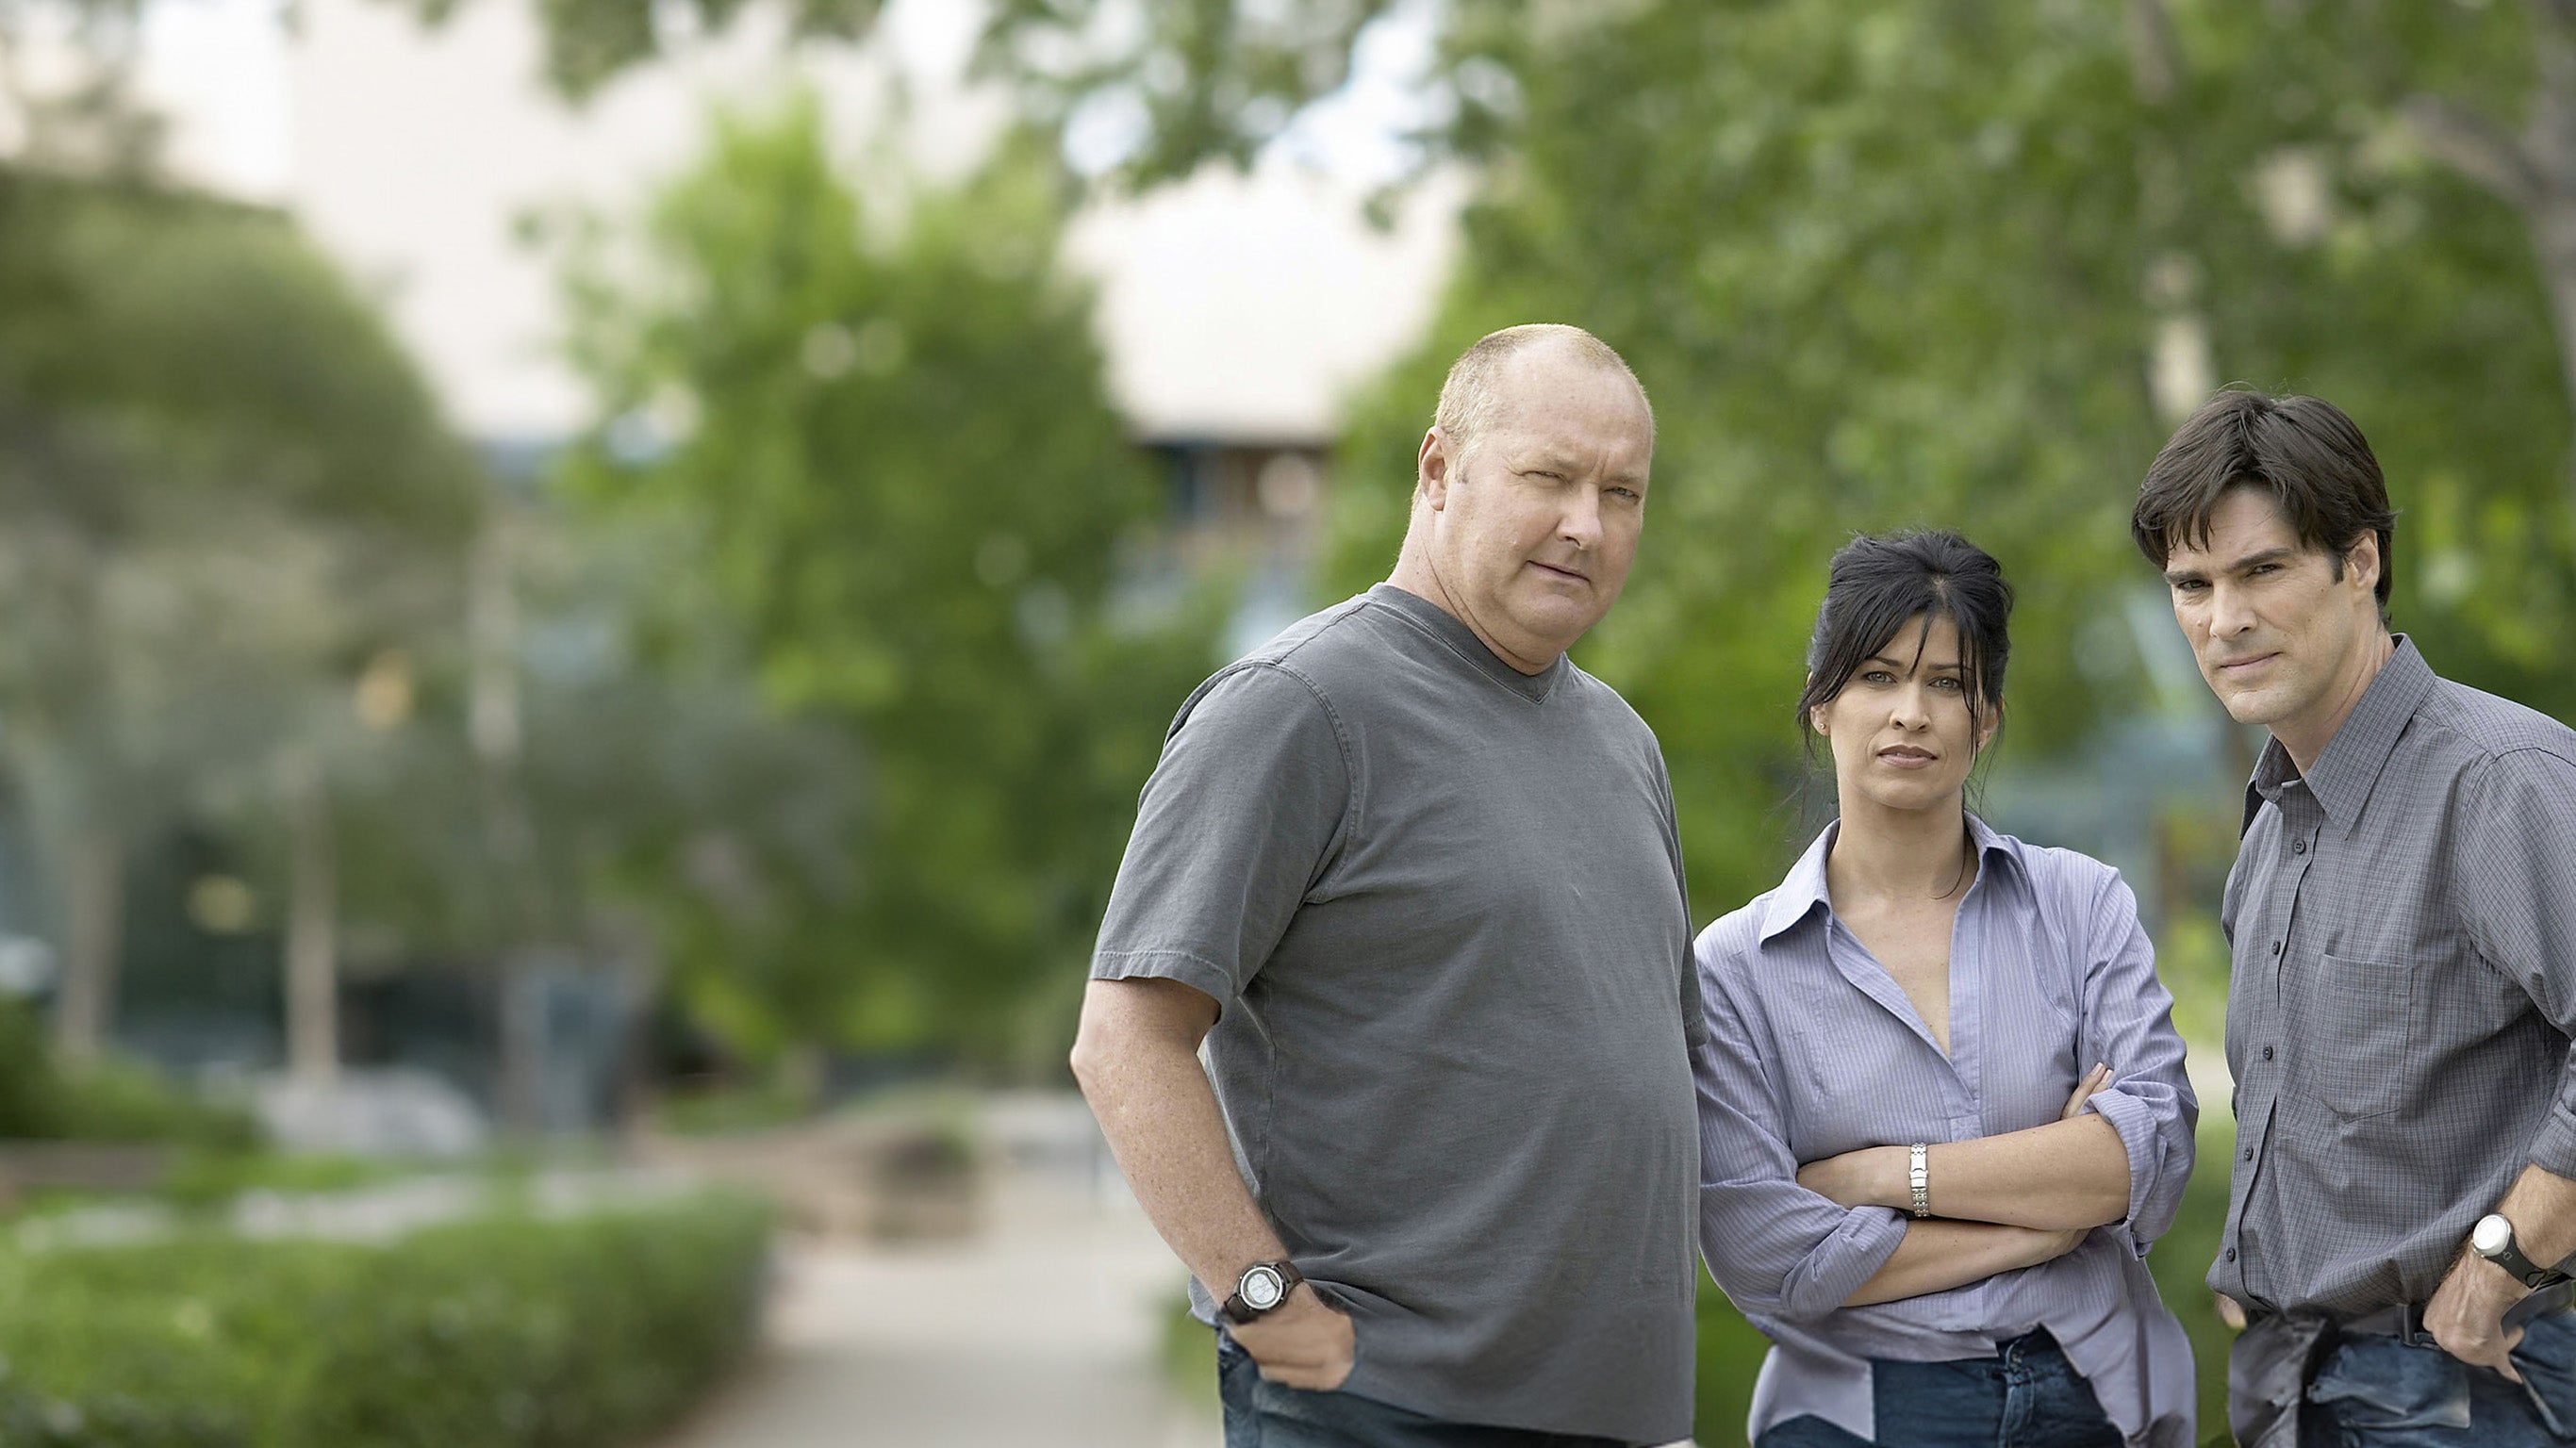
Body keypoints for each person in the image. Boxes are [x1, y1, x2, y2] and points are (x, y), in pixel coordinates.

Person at [1069, 324, 1701, 1447]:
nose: (1585, 525)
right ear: (1437, 470)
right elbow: (1123, 1044)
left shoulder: (1620, 743)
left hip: (1614, 1414)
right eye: (1547, 477)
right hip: (1382, 1410)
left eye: (1621, 493)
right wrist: (1263, 1305)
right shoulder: (1295, 708)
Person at [2132, 388, 2576, 1447]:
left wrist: (2501, 1260)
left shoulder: (2499, 781)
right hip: (2293, 1389)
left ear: (2360, 561)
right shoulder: (2271, 823)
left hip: (2474, 1390)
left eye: (2261, 570)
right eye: (2190, 585)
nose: (2222, 619)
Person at [1694, 531, 2197, 1448]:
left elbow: (2149, 1154)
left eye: (1944, 684)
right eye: (1877, 677)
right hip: (1863, 1410)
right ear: (1820, 705)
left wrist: (1887, 1177)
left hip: (2085, 1390)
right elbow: (1765, 1255)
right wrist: (2045, 1221)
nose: (1909, 714)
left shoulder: (2080, 906)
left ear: (1986, 717)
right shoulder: (1734, 969)